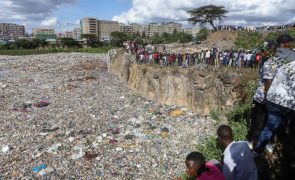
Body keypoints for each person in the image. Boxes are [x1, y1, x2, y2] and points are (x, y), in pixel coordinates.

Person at [254, 34, 295, 156]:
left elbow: (268, 82)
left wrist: (268, 99)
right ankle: (283, 151)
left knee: (267, 126)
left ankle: (258, 150)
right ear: (288, 43)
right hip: (288, 100)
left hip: (273, 98)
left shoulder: (272, 60)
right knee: (284, 127)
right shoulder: (291, 58)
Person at [248, 41, 277, 147]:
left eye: (264, 50)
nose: (262, 52)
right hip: (270, 98)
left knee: (257, 122)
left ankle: (252, 143)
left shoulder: (269, 62)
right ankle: (268, 144)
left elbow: (268, 81)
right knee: (268, 122)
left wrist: (269, 99)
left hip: (263, 98)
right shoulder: (274, 61)